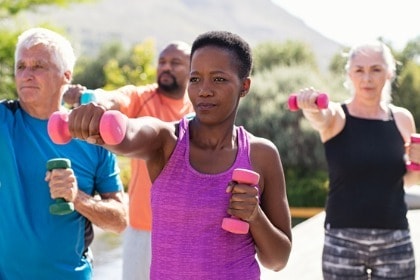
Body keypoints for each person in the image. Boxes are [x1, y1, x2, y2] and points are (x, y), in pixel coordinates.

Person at [66, 30, 292, 279]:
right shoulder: (167, 141)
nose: (204, 90)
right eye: (195, 79)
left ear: (244, 86)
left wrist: (254, 216)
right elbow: (131, 133)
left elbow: (278, 260)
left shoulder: (262, 155)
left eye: (218, 79)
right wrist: (100, 124)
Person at [0, 27, 127, 279]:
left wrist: (77, 197)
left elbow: (120, 220)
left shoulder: (92, 135)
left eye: (38, 66)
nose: (26, 74)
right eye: (21, 66)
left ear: (66, 76)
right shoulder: (4, 120)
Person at [63, 41, 193, 279]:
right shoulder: (141, 97)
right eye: (162, 62)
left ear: (192, 69)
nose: (166, 67)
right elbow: (112, 98)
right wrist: (90, 99)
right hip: (143, 228)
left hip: (189, 232)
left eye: (175, 63)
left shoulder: (198, 108)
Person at [295, 40, 418, 279]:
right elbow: (320, 117)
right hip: (342, 240)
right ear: (349, 75)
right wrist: (311, 108)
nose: (367, 78)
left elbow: (411, 180)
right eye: (359, 70)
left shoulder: (402, 119)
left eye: (376, 69)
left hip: (395, 239)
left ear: (389, 73)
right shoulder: (337, 115)